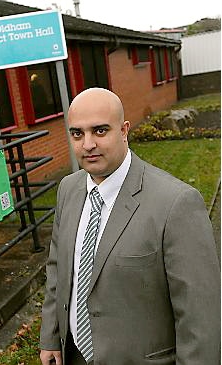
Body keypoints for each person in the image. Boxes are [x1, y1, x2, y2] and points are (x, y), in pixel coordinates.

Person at [39, 88, 220, 365]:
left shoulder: (176, 204)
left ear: (124, 130)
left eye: (100, 131)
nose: (87, 144)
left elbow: (201, 318)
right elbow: (58, 269)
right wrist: (51, 337)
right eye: (77, 134)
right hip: (73, 355)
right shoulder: (68, 189)